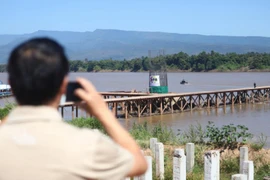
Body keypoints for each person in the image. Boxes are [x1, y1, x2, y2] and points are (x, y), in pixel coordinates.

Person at [0, 38, 147, 180]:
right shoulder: (87, 145)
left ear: (11, 85)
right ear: (64, 85)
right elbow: (139, 163)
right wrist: (102, 112)